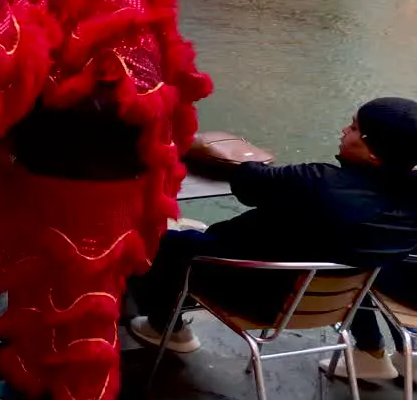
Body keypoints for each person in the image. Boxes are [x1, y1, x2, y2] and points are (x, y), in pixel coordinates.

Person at [129, 97, 417, 377]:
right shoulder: (408, 206)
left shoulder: (315, 181)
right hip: (327, 304)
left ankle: (166, 326)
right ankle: (371, 351)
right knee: (355, 257)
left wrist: (244, 155)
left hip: (251, 293)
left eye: (354, 128)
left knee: (170, 243)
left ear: (374, 154)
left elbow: (247, 182)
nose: (344, 131)